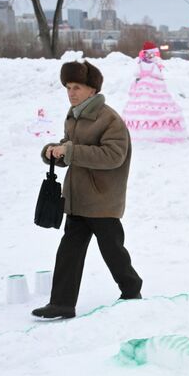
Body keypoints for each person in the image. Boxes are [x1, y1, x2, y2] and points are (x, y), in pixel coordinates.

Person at [31, 59, 143, 319]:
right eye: (68, 87)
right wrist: (54, 152)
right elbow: (72, 148)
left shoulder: (109, 119)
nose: (71, 93)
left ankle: (131, 289)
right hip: (78, 199)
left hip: (102, 200)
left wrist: (69, 151)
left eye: (77, 87)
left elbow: (113, 155)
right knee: (69, 251)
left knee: (113, 251)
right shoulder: (74, 116)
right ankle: (61, 303)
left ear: (92, 90)